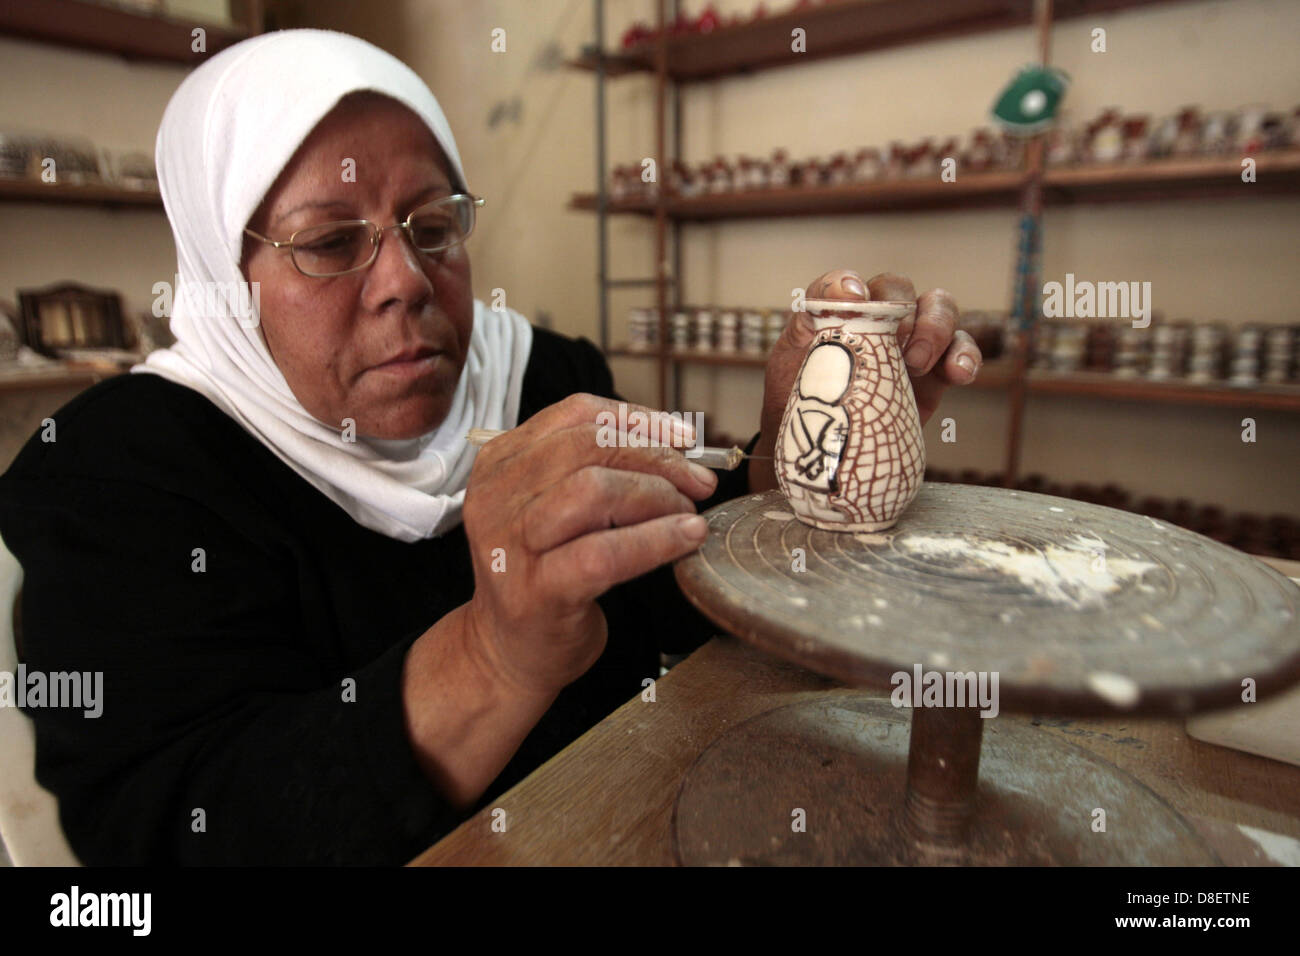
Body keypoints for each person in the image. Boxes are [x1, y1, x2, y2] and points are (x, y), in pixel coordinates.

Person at [0, 30, 982, 865]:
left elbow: (673, 574)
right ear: (223, 269)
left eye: (434, 226)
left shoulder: (539, 374)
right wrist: (491, 652)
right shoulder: (118, 475)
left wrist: (789, 462)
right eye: (332, 242)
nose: (404, 282)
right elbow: (170, 828)